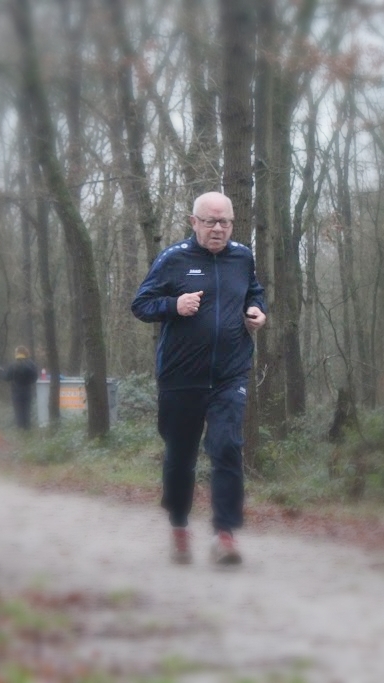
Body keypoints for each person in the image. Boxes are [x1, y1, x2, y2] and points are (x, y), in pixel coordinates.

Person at [131, 191, 266, 566]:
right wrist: (174, 305)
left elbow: (254, 291)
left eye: (225, 222)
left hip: (229, 374)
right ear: (194, 223)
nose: (218, 228)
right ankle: (178, 526)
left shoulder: (243, 256)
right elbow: (140, 304)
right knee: (181, 456)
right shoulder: (173, 259)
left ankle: (225, 536)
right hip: (181, 377)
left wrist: (257, 310)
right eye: (210, 221)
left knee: (226, 448)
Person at [0, 346, 39, 430]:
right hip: (27, 392)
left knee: (18, 412)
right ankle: (27, 430)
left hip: (16, 392)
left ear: (17, 353)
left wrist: (1, 372)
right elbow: (35, 378)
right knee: (27, 411)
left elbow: (7, 378)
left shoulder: (13, 365)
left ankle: (20, 430)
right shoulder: (31, 364)